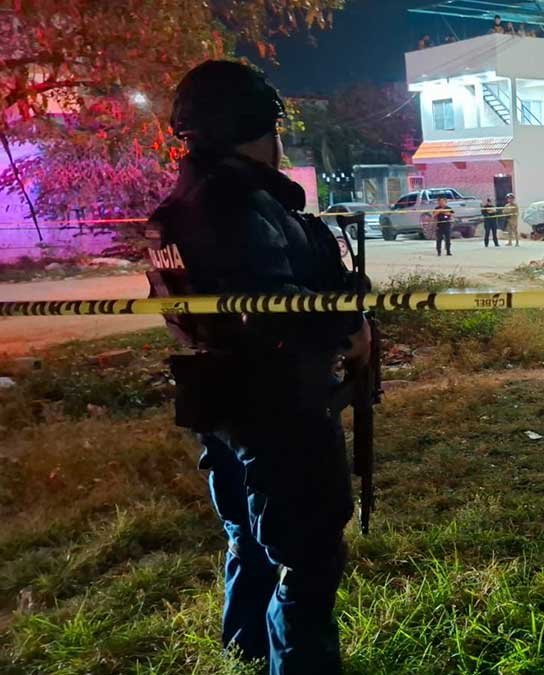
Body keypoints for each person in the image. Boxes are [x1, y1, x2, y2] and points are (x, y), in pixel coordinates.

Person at [145, 60, 368, 675]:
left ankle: (243, 651)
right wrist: (349, 328)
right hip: (278, 409)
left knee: (250, 536)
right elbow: (277, 315)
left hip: (220, 404)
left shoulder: (179, 209)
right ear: (253, 126)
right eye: (273, 127)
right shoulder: (237, 208)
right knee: (308, 558)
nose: (279, 141)